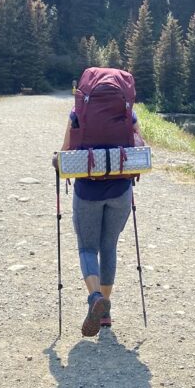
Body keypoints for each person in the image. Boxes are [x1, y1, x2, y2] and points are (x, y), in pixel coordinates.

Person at [57, 105, 145, 337]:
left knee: (87, 248)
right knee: (109, 247)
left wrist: (55, 160)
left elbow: (65, 151)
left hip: (87, 191)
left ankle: (95, 297)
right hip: (120, 191)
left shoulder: (78, 113)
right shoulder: (128, 113)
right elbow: (140, 148)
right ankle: (105, 311)